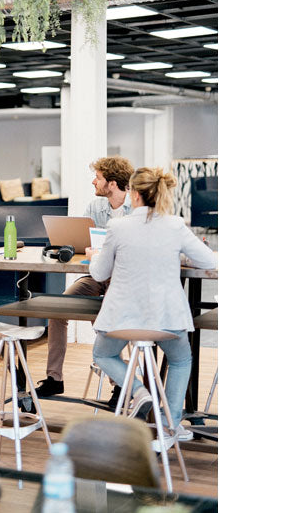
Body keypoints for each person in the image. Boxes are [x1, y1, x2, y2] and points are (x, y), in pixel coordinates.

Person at [88, 167, 216, 448]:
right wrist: (181, 257)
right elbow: (210, 261)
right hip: (166, 317)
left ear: (134, 194)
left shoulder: (118, 227)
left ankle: (139, 392)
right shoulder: (175, 225)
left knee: (103, 354)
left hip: (121, 319)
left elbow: (99, 273)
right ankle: (170, 424)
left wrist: (94, 255)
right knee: (181, 360)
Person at [35, 155, 134, 399]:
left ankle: (121, 386)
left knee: (104, 318)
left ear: (112, 183)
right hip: (96, 276)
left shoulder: (137, 208)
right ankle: (54, 378)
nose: (93, 182)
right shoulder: (94, 208)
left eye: (97, 178)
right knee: (58, 310)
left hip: (123, 280)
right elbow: (85, 247)